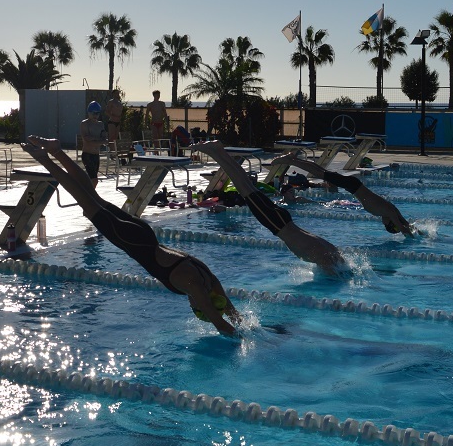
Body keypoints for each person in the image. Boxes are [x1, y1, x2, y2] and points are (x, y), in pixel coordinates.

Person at [23, 136, 239, 335]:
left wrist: (249, 328)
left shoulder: (210, 280)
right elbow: (222, 326)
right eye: (197, 310)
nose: (193, 307)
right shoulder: (195, 288)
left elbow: (232, 314)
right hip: (130, 239)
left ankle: (57, 150)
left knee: (92, 196)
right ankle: (45, 159)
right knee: (84, 200)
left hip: (145, 235)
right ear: (202, 305)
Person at [192, 141, 348, 276]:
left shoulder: (334, 254)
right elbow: (330, 279)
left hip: (284, 220)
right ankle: (216, 152)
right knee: (243, 186)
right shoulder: (329, 262)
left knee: (245, 184)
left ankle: (218, 151)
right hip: (278, 225)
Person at [272, 153, 415, 236]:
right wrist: (413, 238)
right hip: (353, 186)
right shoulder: (390, 212)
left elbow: (406, 225)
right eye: (386, 226)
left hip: (354, 186)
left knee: (323, 173)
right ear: (390, 223)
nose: (383, 224)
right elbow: (404, 229)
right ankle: (290, 160)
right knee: (320, 173)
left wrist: (420, 233)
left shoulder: (392, 210)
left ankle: (293, 160)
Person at [79, 101, 107, 188]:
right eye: (93, 113)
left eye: (97, 113)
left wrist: (94, 138)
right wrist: (99, 140)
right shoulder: (84, 123)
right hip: (87, 155)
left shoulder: (100, 124)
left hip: (96, 156)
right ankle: (91, 197)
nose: (95, 115)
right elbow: (87, 140)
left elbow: (105, 139)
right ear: (89, 113)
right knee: (94, 180)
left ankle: (87, 194)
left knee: (91, 179)